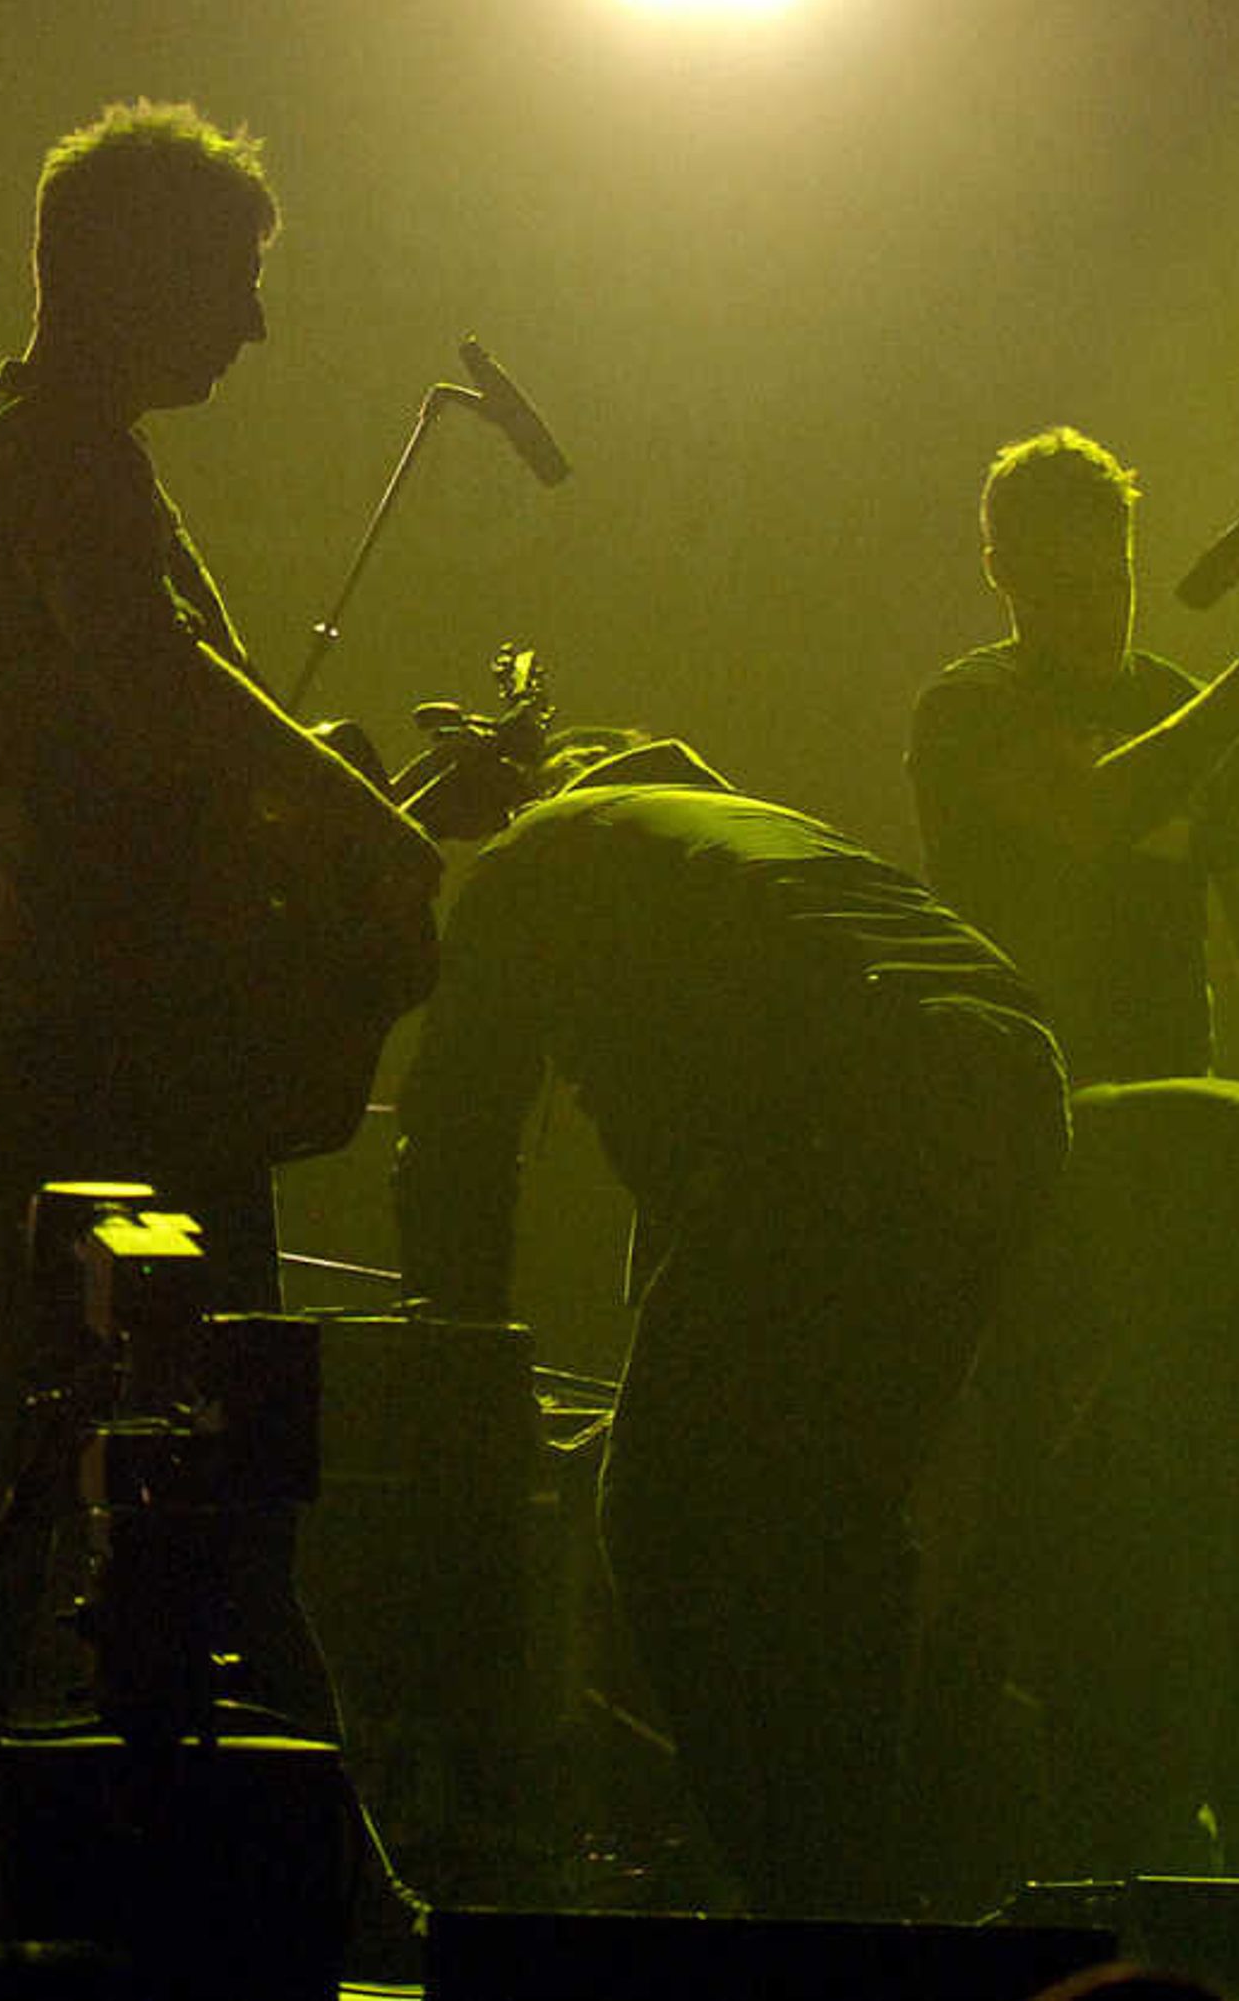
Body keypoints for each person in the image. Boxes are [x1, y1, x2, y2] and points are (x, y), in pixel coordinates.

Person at [0, 104, 439, 1913]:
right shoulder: (60, 455)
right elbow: (156, 687)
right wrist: (366, 829)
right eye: (236, 278)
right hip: (106, 1029)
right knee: (165, 1432)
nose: (256, 326)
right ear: (131, 271)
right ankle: (288, 1874)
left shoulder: (44, 448)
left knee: (88, 1425)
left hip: (94, 1017)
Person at [390, 751, 1072, 1919]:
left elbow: (454, 1131)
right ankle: (863, 1888)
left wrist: (460, 1391)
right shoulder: (728, 847)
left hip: (848, 1094)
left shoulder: (528, 862)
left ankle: (784, 1888)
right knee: (839, 1524)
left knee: (658, 1519)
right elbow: (697, 1193)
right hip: (1009, 1079)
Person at [905, 426, 1239, 1883]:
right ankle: (987, 1849)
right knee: (1014, 1517)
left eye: (1103, 579)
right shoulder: (971, 706)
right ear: (998, 576)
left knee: (1195, 1521)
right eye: (1052, 586)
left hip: (1167, 1177)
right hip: (1017, 1164)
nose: (1088, 611)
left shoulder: (1193, 710)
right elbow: (1094, 810)